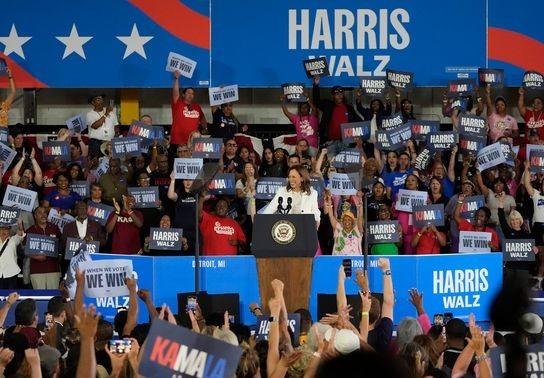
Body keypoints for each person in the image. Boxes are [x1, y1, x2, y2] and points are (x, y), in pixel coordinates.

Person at [312, 76, 360, 156]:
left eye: (341, 94)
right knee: (331, 165)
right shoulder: (327, 105)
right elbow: (316, 101)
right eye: (337, 94)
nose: (339, 96)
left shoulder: (349, 108)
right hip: (330, 142)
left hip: (345, 142)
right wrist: (316, 85)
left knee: (345, 165)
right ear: (333, 96)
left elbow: (357, 121)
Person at [25, 207, 62, 289]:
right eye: (40, 213)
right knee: (40, 298)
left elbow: (61, 245)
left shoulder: (54, 228)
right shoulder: (30, 231)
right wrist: (36, 256)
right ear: (35, 216)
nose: (43, 215)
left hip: (53, 269)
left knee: (54, 298)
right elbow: (24, 250)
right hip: (37, 271)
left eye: (45, 212)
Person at [170, 70, 207, 147]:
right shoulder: (178, 103)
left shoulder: (197, 106)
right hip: (178, 142)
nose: (191, 95)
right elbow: (176, 93)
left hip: (193, 142)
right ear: (183, 95)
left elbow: (202, 118)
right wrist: (176, 79)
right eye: (188, 93)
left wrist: (205, 128)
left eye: (192, 94)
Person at [168, 171, 196, 255]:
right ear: (183, 181)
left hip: (193, 230)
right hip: (179, 230)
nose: (188, 182)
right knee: (179, 255)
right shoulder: (179, 192)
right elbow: (170, 196)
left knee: (192, 256)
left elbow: (208, 195)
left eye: (190, 180)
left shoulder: (197, 193)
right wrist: (172, 180)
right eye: (186, 180)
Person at [0, 219, 24, 289]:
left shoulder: (13, 240)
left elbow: (21, 233)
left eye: (6, 229)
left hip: (11, 273)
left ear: (9, 231)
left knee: (10, 294)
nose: (4, 231)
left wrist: (19, 224)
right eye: (2, 229)